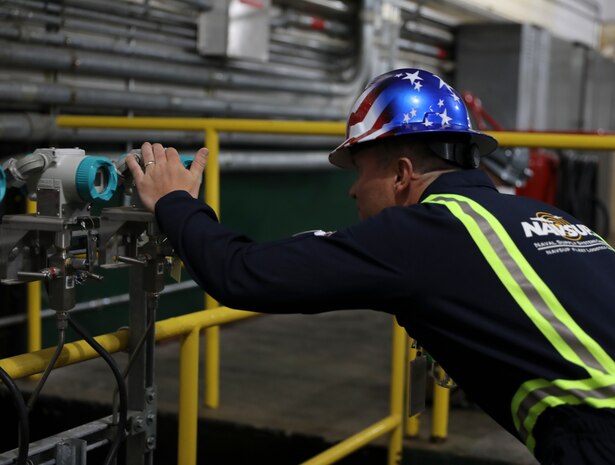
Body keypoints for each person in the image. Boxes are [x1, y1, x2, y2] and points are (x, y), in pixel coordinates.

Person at [126, 68, 615, 465]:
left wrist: (174, 203)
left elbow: (239, 273)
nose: (353, 191)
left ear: (403, 174)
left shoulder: (424, 234)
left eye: (360, 172)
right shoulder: (551, 218)